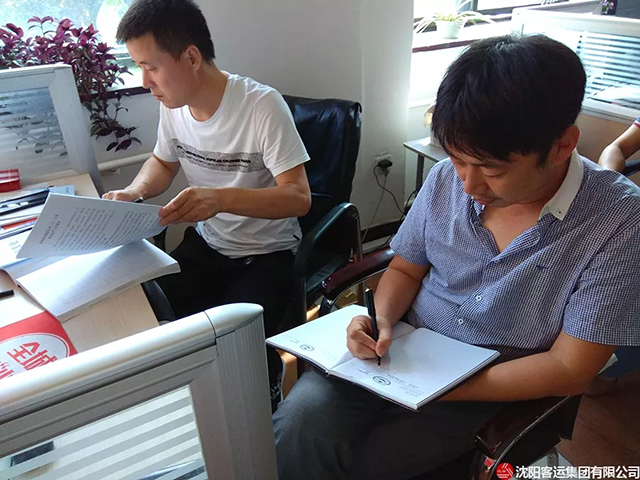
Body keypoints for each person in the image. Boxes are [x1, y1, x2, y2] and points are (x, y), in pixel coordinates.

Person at [273, 34, 640, 480]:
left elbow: (569, 368)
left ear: (562, 145)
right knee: (295, 427)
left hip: (491, 383)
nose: (467, 184)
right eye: (458, 160)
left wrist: (438, 386)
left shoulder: (618, 221)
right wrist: (380, 319)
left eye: (492, 170)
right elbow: (406, 268)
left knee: (359, 465)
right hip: (401, 351)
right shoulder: (448, 178)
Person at [104, 0, 311, 411]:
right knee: (147, 312)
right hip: (209, 245)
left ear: (191, 57)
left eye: (151, 67)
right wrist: (135, 191)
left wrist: (219, 200)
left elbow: (298, 197)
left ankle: (266, 386)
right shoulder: (174, 105)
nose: (145, 82)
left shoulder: (261, 106)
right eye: (139, 67)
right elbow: (163, 162)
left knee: (232, 343)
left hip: (266, 255)